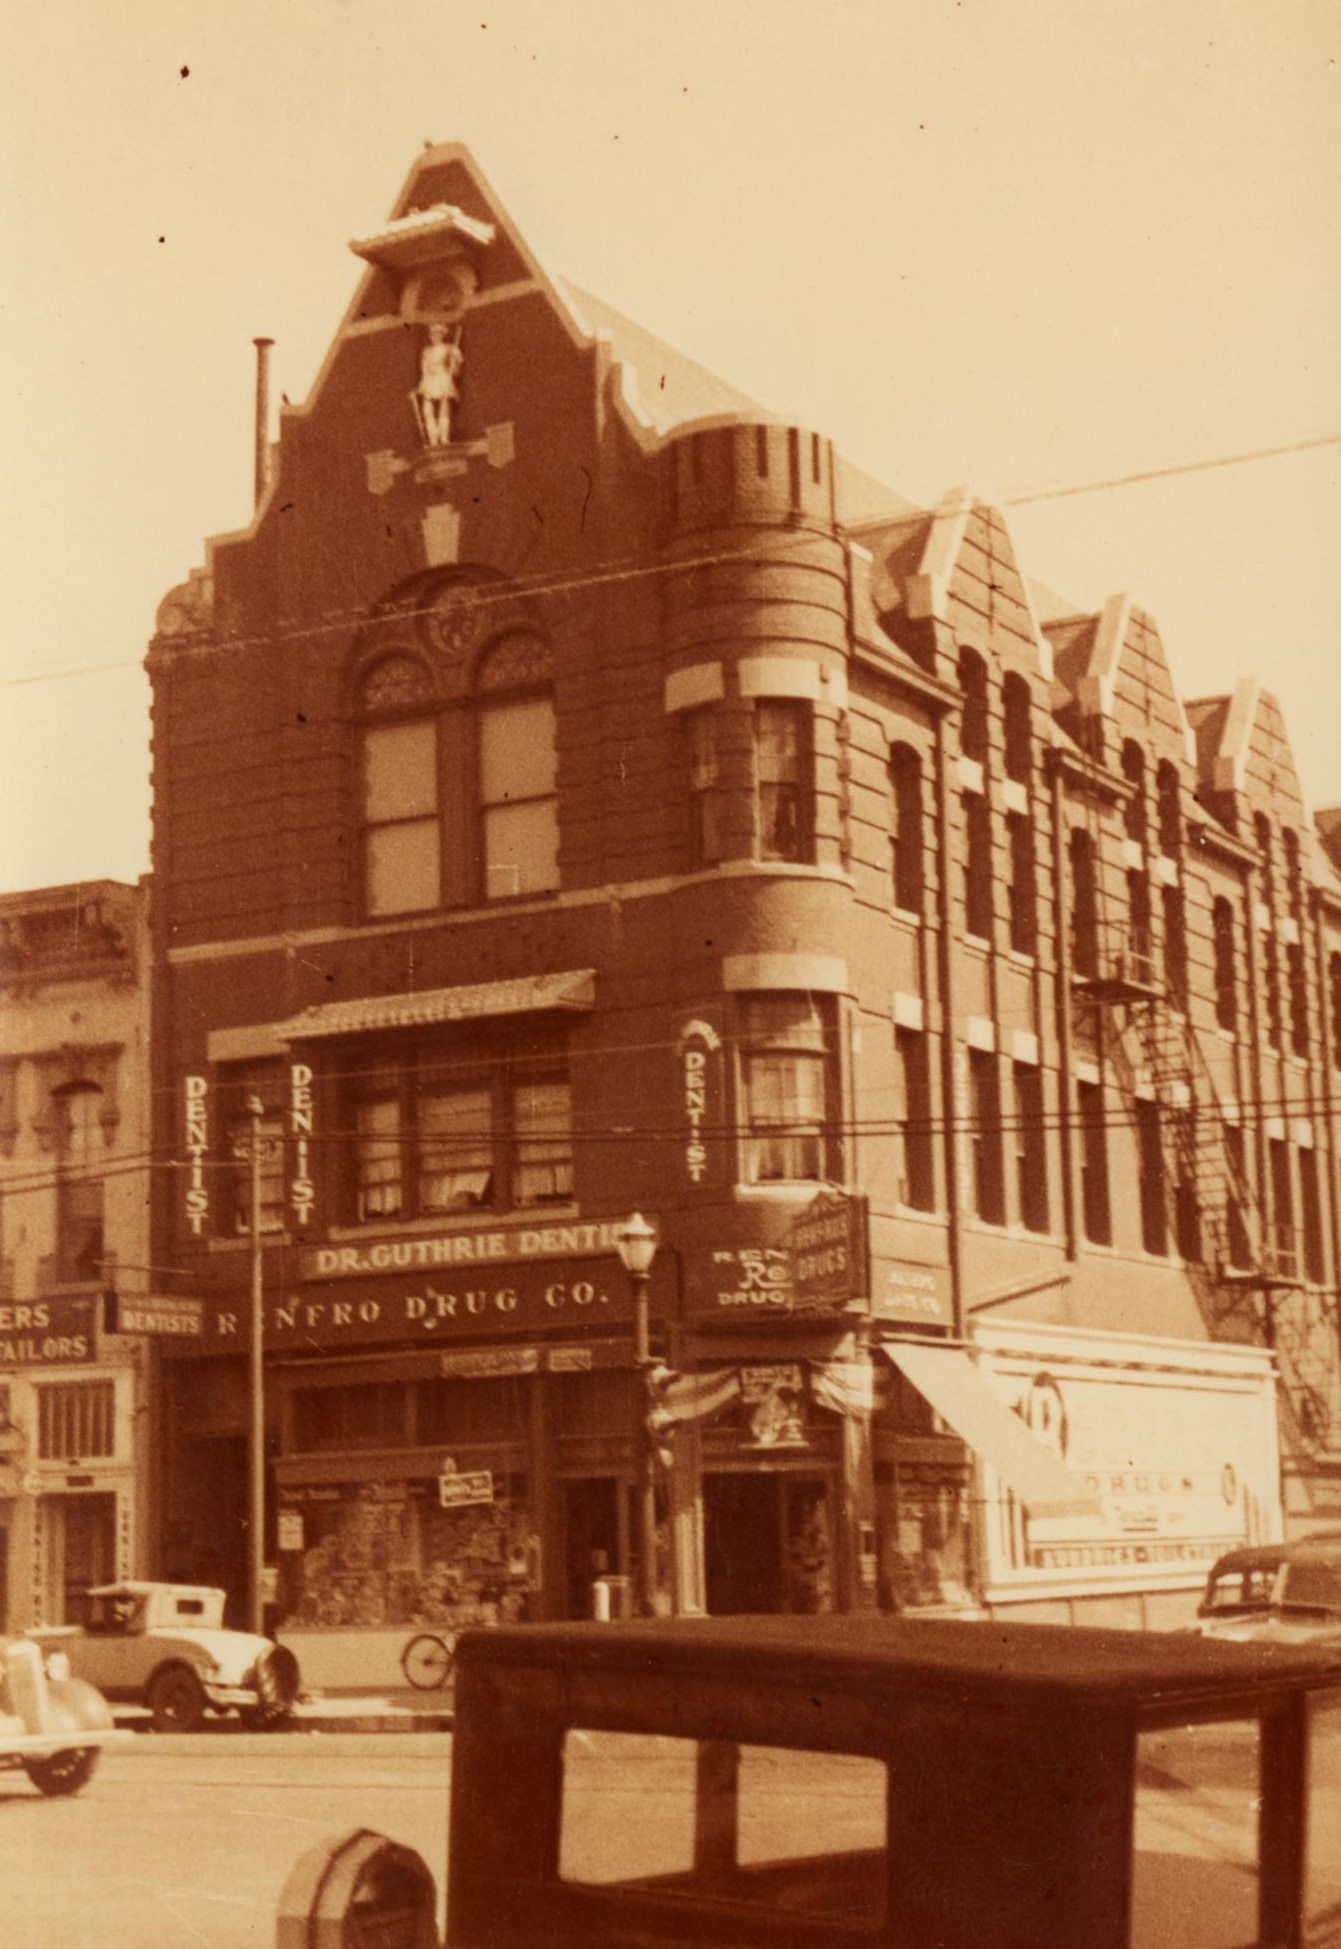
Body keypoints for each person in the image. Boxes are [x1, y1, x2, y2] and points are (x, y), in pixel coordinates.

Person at [414, 323, 463, 446]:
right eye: (433, 334)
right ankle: (433, 438)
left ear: (442, 335)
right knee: (428, 410)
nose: (435, 336)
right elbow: (424, 368)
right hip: (430, 379)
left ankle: (444, 437)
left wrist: (454, 364)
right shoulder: (427, 351)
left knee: (444, 409)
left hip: (443, 377)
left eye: (437, 333)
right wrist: (423, 384)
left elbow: (457, 366)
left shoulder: (449, 348)